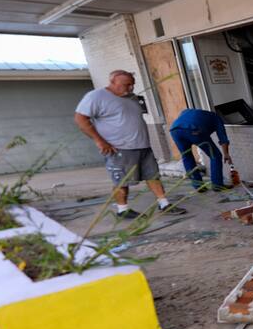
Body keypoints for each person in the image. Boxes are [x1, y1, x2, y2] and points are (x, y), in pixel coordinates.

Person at [75, 70, 186, 219]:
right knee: (122, 180)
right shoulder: (96, 97)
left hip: (143, 145)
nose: (130, 88)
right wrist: (100, 141)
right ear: (112, 82)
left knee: (152, 176)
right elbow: (81, 119)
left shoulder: (131, 97)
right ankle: (123, 210)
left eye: (132, 85)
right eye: (126, 85)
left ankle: (164, 204)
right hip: (120, 148)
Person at [169, 108, 233, 192]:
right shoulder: (217, 118)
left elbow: (183, 120)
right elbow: (223, 139)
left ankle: (198, 186)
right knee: (215, 155)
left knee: (187, 156)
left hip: (175, 130)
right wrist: (226, 154)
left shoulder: (189, 111)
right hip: (194, 130)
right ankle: (217, 185)